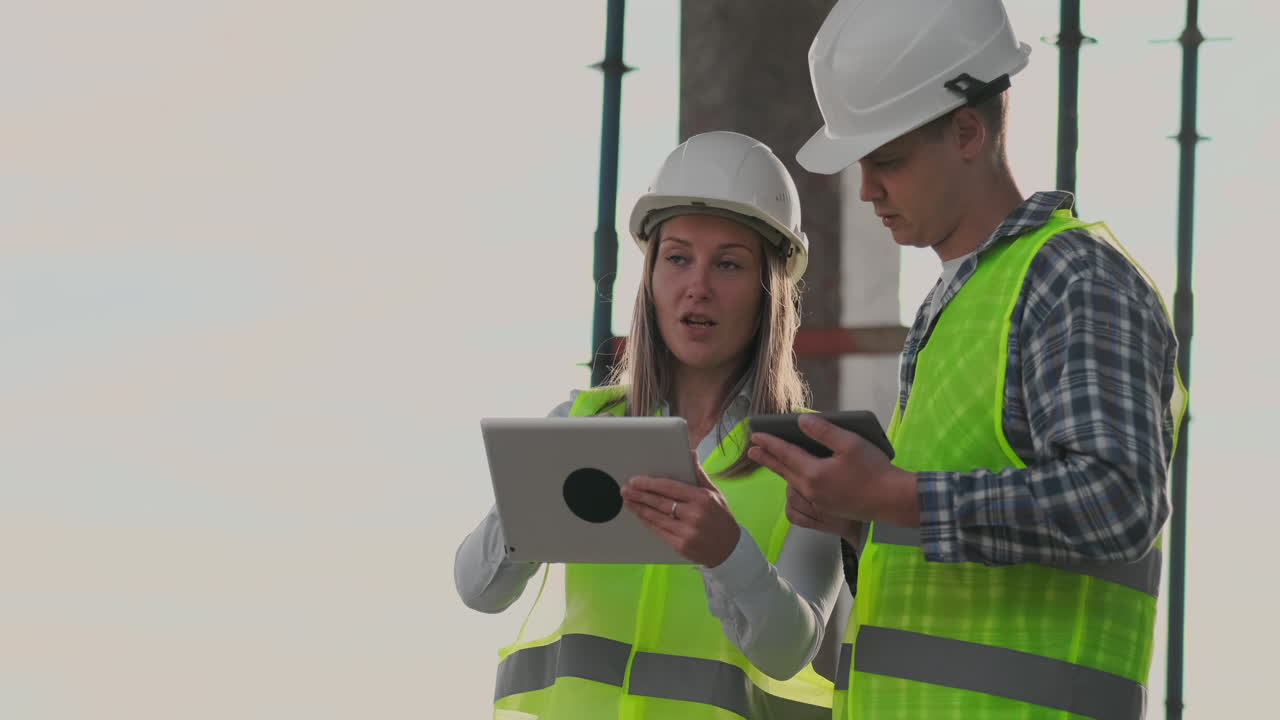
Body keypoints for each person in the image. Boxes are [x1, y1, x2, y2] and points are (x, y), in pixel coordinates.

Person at [746, 1, 1188, 718]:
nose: (867, 191)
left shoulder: (1073, 279)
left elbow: (1119, 501)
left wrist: (896, 497)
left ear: (967, 131)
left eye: (886, 161)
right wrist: (863, 518)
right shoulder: (956, 304)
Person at [454, 130, 845, 719]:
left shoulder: (811, 454)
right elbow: (479, 591)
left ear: (771, 292)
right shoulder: (581, 425)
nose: (698, 286)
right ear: (651, 278)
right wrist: (529, 501)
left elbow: (789, 650)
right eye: (678, 257)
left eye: (730, 264)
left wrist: (727, 552)